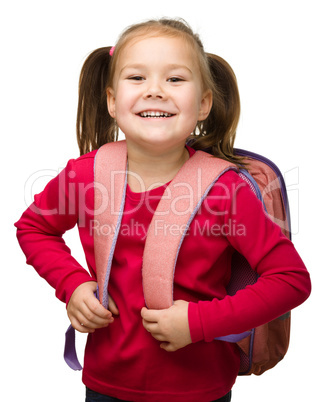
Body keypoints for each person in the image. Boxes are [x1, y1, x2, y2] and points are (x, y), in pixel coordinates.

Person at [14, 18, 311, 402]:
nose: (155, 91)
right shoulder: (86, 174)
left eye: (175, 79)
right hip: (105, 384)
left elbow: (291, 279)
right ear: (110, 101)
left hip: (201, 389)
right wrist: (72, 285)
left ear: (204, 104)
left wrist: (199, 322)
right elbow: (34, 228)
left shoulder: (226, 191)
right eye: (136, 78)